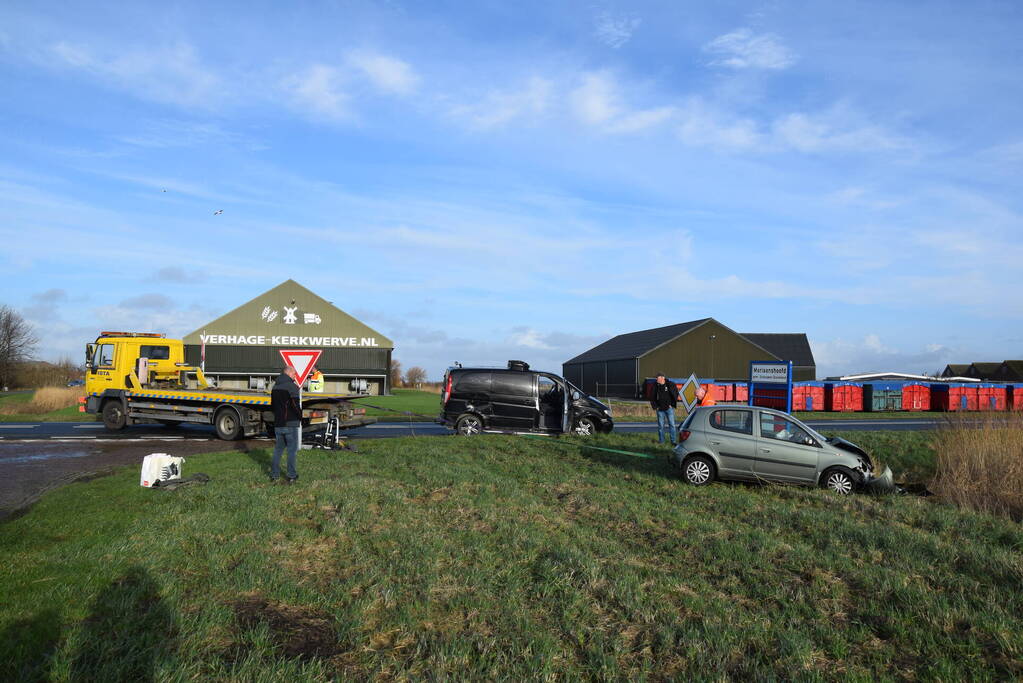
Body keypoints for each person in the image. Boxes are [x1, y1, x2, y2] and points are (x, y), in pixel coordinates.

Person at [270, 366, 302, 483]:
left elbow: (272, 406)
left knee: (278, 450)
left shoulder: (275, 387)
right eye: (294, 374)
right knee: (291, 451)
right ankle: (292, 475)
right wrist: (300, 417)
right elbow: (295, 406)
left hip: (278, 424)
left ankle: (274, 475)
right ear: (288, 373)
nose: (295, 376)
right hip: (291, 424)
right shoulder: (292, 387)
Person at [649, 373, 679, 445]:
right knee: (661, 426)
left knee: (672, 425)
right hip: (660, 410)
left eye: (658, 378)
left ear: (663, 378)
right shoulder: (655, 386)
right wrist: (656, 406)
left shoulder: (670, 384)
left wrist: (672, 404)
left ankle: (673, 441)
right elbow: (651, 397)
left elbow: (676, 393)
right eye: (656, 378)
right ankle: (661, 441)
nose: (656, 379)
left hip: (669, 409)